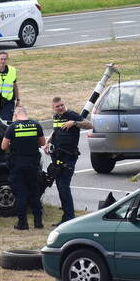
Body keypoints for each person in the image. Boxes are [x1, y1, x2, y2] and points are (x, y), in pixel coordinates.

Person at [48, 96, 92, 225]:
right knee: (60, 187)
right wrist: (48, 142)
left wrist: (74, 123)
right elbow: (56, 131)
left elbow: (89, 124)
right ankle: (66, 216)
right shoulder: (56, 117)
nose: (60, 108)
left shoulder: (71, 115)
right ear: (53, 108)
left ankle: (69, 217)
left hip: (68, 157)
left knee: (64, 186)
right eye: (57, 106)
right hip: (57, 156)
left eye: (62, 105)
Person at [2, 105, 46, 230]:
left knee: (21, 193)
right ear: (26, 113)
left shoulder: (12, 127)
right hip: (33, 164)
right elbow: (42, 143)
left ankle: (22, 223)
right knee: (34, 193)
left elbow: (3, 146)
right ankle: (38, 222)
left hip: (18, 164)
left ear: (16, 115)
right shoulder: (36, 125)